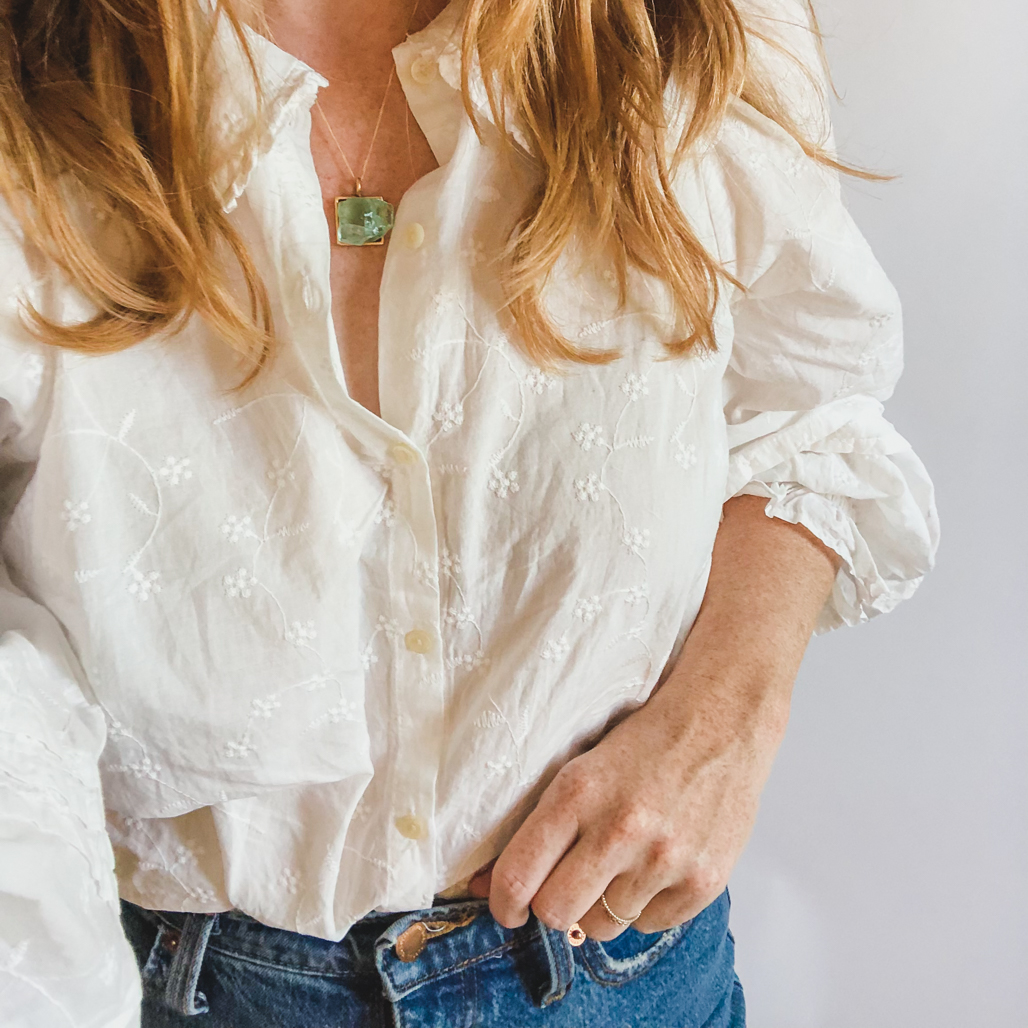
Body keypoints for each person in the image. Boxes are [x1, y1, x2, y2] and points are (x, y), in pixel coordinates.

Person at [0, 0, 938, 1024]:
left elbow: (803, 414)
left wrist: (727, 717)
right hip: (157, 978)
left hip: (616, 974)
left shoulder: (682, 34)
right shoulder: (31, 89)